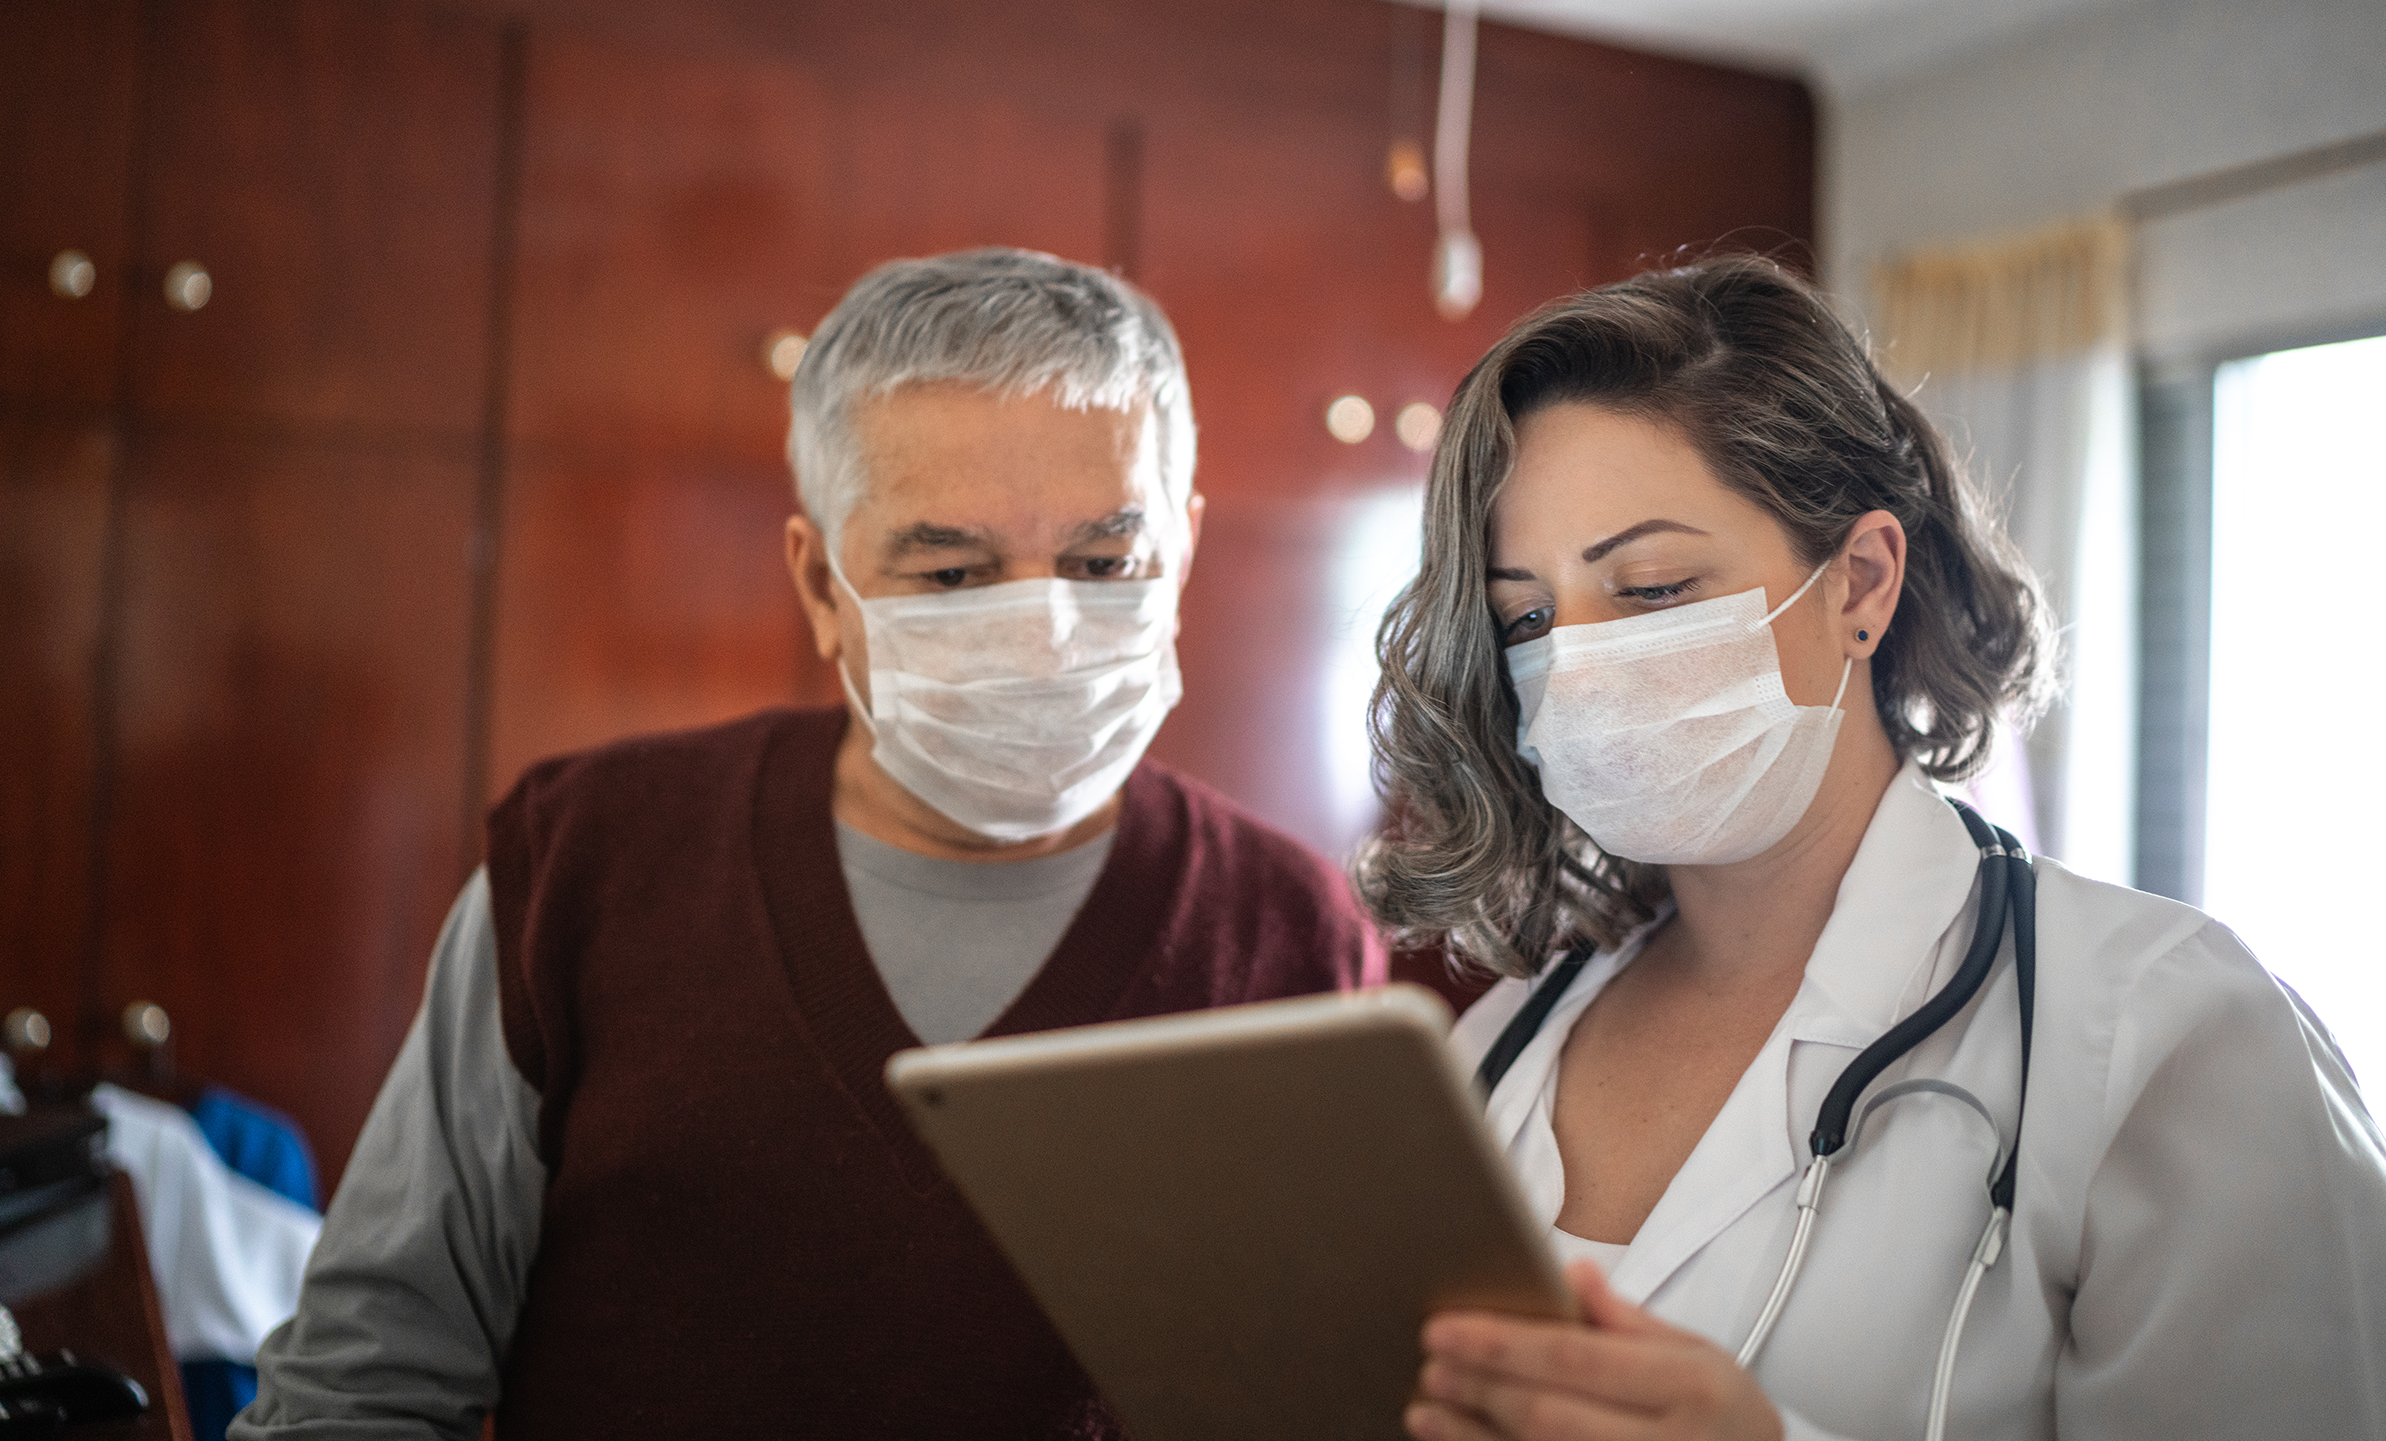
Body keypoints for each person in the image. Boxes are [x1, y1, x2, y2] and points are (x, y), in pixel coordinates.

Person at [235, 248, 1384, 1440]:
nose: (1044, 633)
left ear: (1182, 551)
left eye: (1103, 564)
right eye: (951, 572)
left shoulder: (1294, 939)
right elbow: (365, 1377)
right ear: (821, 584)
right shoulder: (586, 866)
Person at [1362, 257, 2386, 1440]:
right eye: (1525, 619)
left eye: (1648, 587)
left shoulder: (2163, 1030)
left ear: (1860, 582)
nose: (1578, 665)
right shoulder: (1502, 1046)